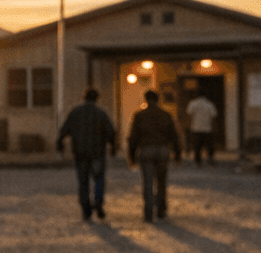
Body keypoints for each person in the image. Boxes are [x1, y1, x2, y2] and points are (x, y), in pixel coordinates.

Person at [57, 86, 116, 222]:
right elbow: (110, 131)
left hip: (80, 153)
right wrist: (112, 146)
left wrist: (59, 144)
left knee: (83, 182)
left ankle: (86, 209)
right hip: (97, 153)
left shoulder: (75, 113)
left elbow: (64, 130)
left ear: (84, 97)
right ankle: (98, 202)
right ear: (97, 98)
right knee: (99, 179)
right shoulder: (101, 113)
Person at [127, 90, 181, 223]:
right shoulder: (166, 115)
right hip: (163, 150)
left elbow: (133, 137)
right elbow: (174, 135)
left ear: (146, 99)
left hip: (146, 150)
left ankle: (148, 212)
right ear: (158, 100)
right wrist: (177, 154)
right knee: (161, 182)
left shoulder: (139, 115)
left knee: (148, 182)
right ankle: (161, 209)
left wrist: (131, 156)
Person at [185, 92, 218, 165]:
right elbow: (213, 117)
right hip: (207, 128)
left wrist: (188, 126)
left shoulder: (192, 104)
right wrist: (214, 128)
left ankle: (197, 160)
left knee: (197, 146)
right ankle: (210, 158)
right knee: (209, 145)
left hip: (195, 128)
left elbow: (189, 116)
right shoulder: (209, 104)